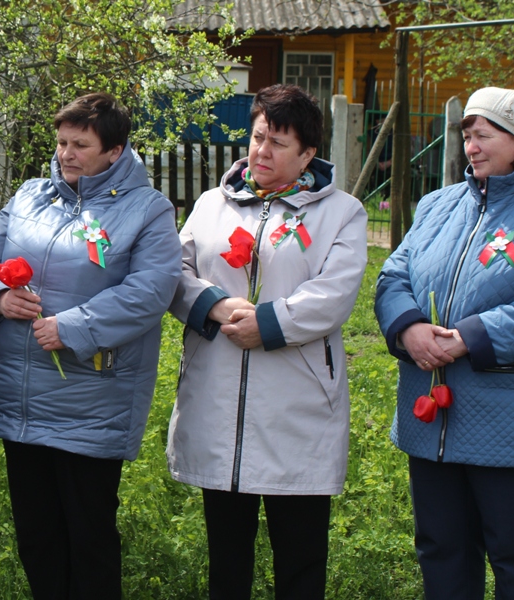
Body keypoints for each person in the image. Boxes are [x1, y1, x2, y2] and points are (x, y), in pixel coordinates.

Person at [374, 87, 514, 599]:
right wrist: (409, 327)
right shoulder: (437, 206)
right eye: (467, 136)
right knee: (440, 548)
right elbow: (394, 276)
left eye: (484, 136)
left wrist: (466, 339)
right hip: (433, 413)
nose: (471, 147)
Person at [0, 92, 181, 599]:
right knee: (37, 535)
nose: (66, 154)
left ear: (115, 151)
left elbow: (151, 290)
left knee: (89, 537)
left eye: (80, 145)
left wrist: (75, 327)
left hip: (91, 398)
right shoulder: (30, 196)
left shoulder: (147, 210)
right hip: (21, 395)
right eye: (62, 142)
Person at [166, 84, 368, 599]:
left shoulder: (340, 212)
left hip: (296, 405)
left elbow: (334, 294)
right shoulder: (212, 204)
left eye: (279, 143)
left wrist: (270, 323)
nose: (262, 151)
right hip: (218, 397)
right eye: (258, 137)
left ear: (308, 154)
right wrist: (214, 304)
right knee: (227, 558)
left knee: (300, 558)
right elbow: (175, 273)